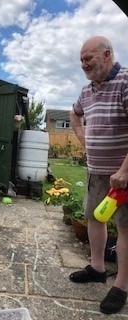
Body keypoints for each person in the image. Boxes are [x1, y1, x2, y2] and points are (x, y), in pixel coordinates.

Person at [69, 35, 128, 315]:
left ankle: (121, 286)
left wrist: (125, 170)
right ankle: (97, 268)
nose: (83, 64)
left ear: (106, 55)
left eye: (88, 58)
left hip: (124, 176)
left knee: (126, 227)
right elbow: (74, 113)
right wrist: (83, 137)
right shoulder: (87, 89)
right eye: (81, 59)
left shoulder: (126, 82)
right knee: (94, 217)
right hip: (97, 172)